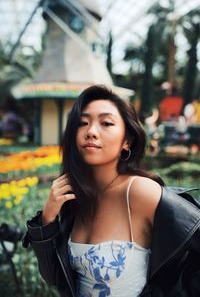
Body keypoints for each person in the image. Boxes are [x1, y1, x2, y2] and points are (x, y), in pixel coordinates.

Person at [23, 85, 200, 297]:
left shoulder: (138, 191)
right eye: (82, 123)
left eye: (106, 123)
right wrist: (47, 221)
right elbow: (54, 279)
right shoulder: (76, 197)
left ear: (127, 141)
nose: (91, 132)